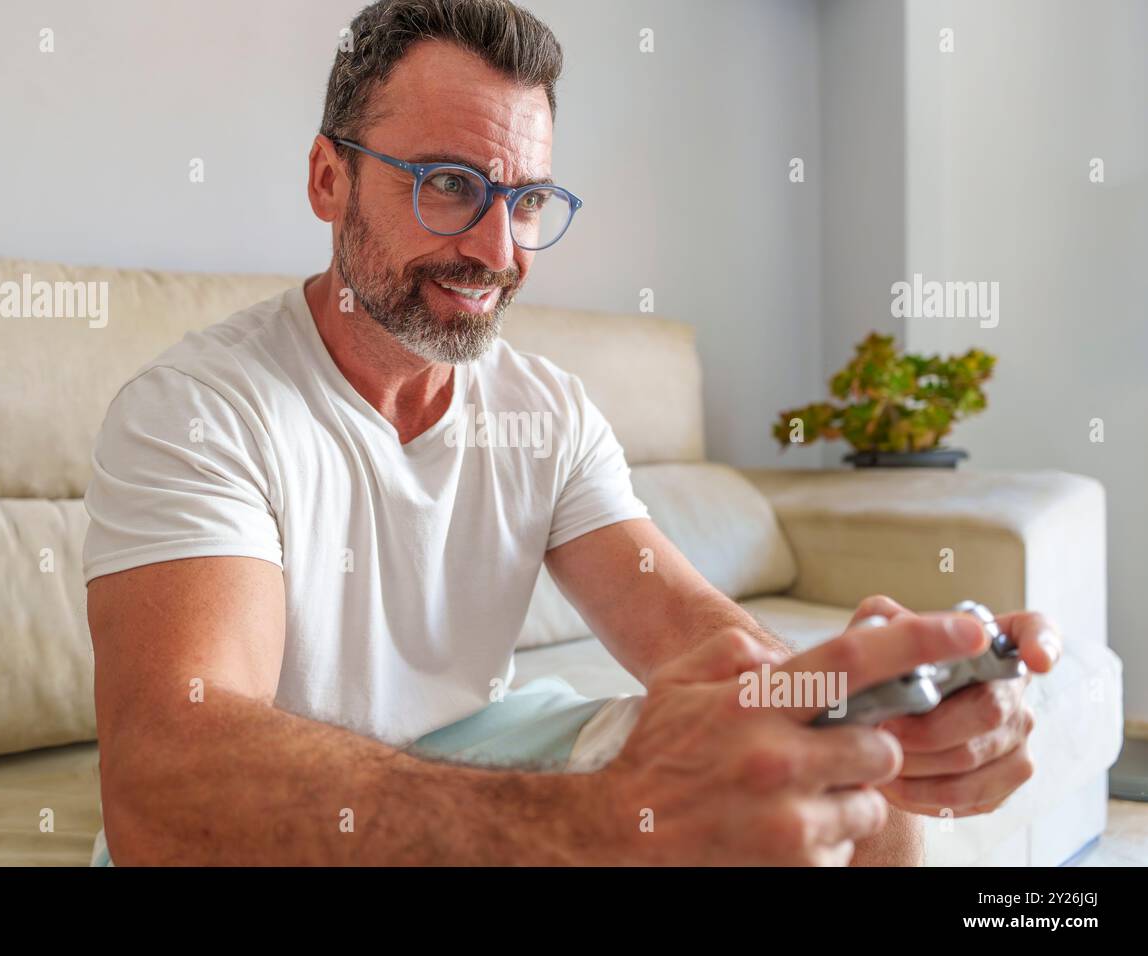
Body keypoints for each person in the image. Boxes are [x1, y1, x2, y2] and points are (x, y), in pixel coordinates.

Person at [83, 0, 1059, 866]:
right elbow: (171, 776)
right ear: (328, 178)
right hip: (274, 802)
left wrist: (862, 698)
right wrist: (591, 821)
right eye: (450, 185)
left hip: (479, 742)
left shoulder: (542, 411)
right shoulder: (201, 410)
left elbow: (694, 637)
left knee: (853, 791)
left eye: (527, 199)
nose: (498, 252)